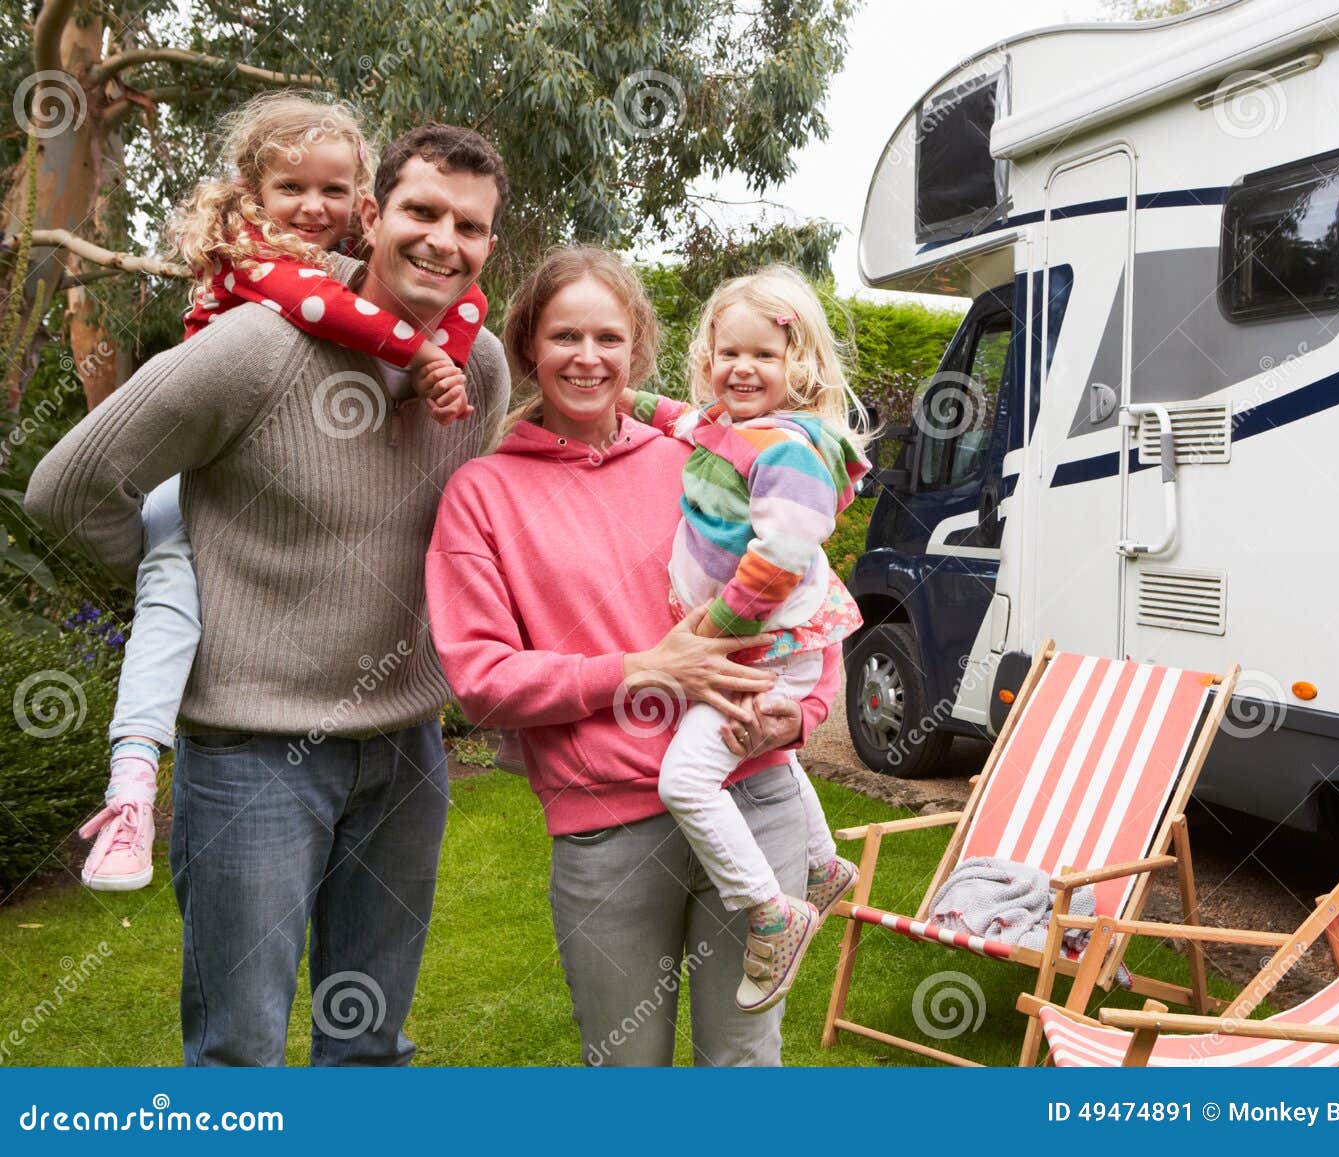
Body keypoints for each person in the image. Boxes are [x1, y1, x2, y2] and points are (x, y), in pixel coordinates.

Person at [26, 121, 512, 1066]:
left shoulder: (479, 369)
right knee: (240, 1051)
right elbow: (70, 487)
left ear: (490, 243)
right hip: (254, 758)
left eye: (471, 225)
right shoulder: (257, 347)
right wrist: (180, 574)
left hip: (408, 752)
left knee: (368, 1043)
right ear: (372, 216)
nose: (442, 240)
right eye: (420, 210)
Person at [425, 247, 842, 1066]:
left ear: (638, 346)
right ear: (528, 348)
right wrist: (642, 669)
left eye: (609, 337)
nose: (588, 358)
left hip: (752, 795)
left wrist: (806, 708)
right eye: (565, 336)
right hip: (606, 829)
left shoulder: (705, 455)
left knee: (746, 1064)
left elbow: (804, 590)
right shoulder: (483, 491)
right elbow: (481, 680)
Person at [75, 92, 485, 894]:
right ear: (251, 193)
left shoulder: (361, 272)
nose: (312, 206)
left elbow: (463, 299)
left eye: (332, 190)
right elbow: (326, 313)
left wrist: (448, 356)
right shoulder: (256, 264)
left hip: (394, 733)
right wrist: (430, 360)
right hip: (185, 487)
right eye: (290, 188)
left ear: (361, 202)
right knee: (170, 604)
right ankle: (129, 784)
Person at [621, 265, 869, 1013]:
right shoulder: (730, 429)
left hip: (763, 641)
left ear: (800, 365)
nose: (742, 368)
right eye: (728, 353)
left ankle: (771, 909)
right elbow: (673, 416)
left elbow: (784, 552)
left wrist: (716, 630)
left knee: (687, 779)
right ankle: (822, 867)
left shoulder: (792, 448)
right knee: (764, 748)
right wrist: (612, 396)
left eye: (763, 355)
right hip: (763, 642)